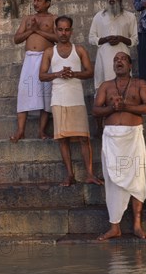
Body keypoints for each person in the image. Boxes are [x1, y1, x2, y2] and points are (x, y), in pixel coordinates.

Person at [93, 52, 146, 240]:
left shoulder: (140, 84)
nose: (118, 62)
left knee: (137, 179)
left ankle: (137, 225)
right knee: (112, 182)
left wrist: (125, 107)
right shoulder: (105, 86)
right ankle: (115, 227)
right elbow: (95, 110)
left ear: (130, 65)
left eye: (122, 59)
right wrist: (112, 108)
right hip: (111, 138)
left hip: (133, 136)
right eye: (115, 60)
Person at [39, 16, 103, 186]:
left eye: (67, 29)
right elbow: (42, 75)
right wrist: (58, 74)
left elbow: (90, 72)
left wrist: (73, 74)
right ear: (55, 30)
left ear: (71, 31)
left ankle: (89, 174)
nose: (63, 33)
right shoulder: (49, 52)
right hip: (58, 100)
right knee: (62, 139)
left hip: (76, 99)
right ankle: (70, 175)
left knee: (84, 138)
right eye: (60, 29)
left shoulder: (79, 49)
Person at [10, 0, 57, 143]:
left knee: (46, 94)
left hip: (45, 58)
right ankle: (21, 130)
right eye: (34, 0)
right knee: (24, 92)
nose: (35, 3)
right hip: (30, 60)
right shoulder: (28, 19)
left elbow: (58, 38)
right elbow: (17, 39)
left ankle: (42, 131)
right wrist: (31, 30)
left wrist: (39, 31)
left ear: (48, 3)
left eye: (39, 1)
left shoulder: (53, 19)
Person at [89, 0, 138, 91]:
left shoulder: (130, 16)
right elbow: (91, 38)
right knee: (104, 88)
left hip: (123, 57)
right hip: (103, 58)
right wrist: (105, 39)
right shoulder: (99, 16)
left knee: (124, 88)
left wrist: (121, 38)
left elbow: (135, 39)